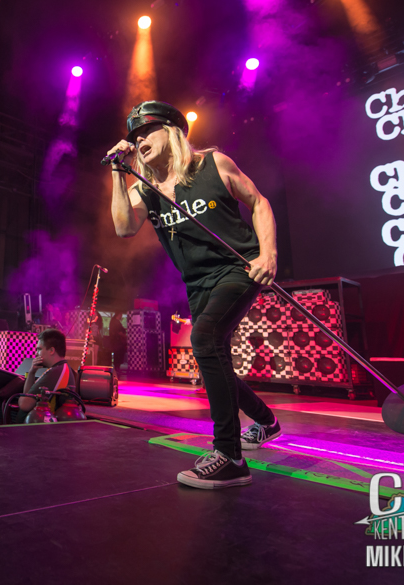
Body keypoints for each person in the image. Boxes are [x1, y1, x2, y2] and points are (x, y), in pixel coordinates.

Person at [107, 100, 281, 489]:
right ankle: (266, 421)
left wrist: (268, 254)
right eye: (134, 136)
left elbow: (259, 203)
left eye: (146, 131)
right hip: (198, 281)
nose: (139, 141)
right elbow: (123, 228)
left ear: (171, 132)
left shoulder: (213, 164)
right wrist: (119, 172)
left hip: (238, 266)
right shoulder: (145, 189)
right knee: (213, 359)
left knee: (204, 339)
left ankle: (230, 456)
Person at [16, 329, 78, 423]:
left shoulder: (55, 372)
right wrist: (32, 372)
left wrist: (21, 398)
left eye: (39, 349)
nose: (36, 353)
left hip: (34, 429)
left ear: (51, 350)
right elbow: (28, 395)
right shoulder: (62, 368)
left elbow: (24, 404)